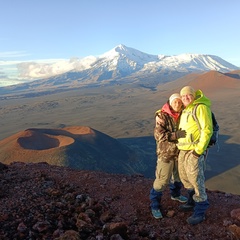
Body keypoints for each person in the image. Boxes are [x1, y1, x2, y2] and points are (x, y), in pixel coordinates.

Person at [177, 86, 213, 225]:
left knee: (196, 180)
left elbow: (207, 130)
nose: (186, 97)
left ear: (193, 95)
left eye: (189, 95)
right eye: (183, 95)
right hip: (183, 149)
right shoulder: (186, 109)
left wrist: (198, 151)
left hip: (194, 150)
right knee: (185, 178)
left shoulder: (200, 107)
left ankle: (200, 211)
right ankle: (191, 202)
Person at [150, 93, 187, 219]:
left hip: (179, 153)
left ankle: (175, 194)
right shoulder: (162, 115)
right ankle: (155, 205)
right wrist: (176, 135)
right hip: (166, 154)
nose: (177, 104)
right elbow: (159, 135)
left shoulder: (183, 114)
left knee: (178, 177)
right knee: (161, 181)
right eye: (175, 102)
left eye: (179, 102)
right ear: (170, 103)